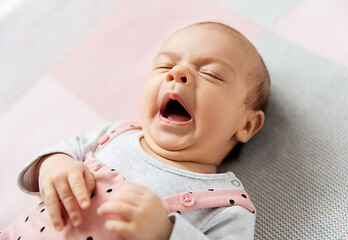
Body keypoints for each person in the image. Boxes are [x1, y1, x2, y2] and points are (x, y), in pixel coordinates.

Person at [0, 21, 270, 240]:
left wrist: (166, 232)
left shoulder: (227, 206)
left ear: (246, 124)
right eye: (165, 66)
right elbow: (63, 152)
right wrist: (54, 164)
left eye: (211, 73)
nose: (177, 74)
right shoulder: (118, 133)